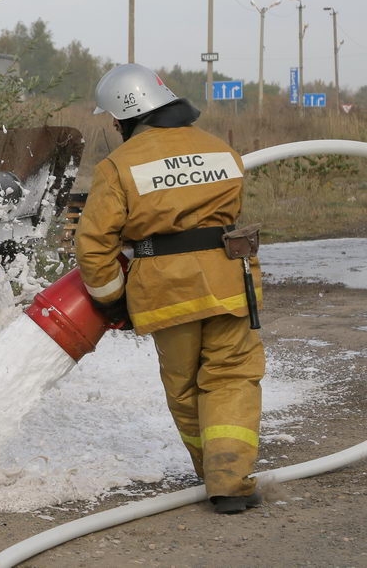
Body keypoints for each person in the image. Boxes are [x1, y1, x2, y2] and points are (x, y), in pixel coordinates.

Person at [74, 63, 265, 515]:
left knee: (184, 385)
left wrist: (111, 299)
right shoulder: (220, 149)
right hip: (228, 282)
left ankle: (210, 471)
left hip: (165, 292)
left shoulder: (118, 166)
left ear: (125, 115)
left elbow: (93, 244)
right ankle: (229, 480)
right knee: (232, 376)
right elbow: (229, 213)